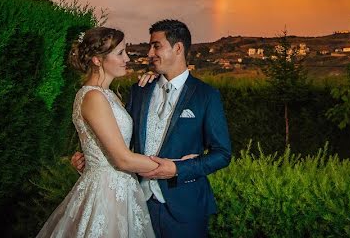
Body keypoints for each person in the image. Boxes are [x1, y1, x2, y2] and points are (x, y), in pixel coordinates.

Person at [72, 20, 231, 238]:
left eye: (156, 46)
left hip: (185, 207)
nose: (149, 53)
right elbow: (118, 140)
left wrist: (178, 169)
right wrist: (91, 159)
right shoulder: (139, 91)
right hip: (136, 203)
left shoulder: (206, 95)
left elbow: (222, 154)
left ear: (178, 48)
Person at [38, 27, 164, 238]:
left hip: (120, 188)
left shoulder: (109, 95)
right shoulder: (93, 97)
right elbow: (123, 159)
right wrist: (173, 166)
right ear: (97, 60)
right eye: (120, 53)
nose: (127, 58)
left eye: (126, 52)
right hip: (106, 194)